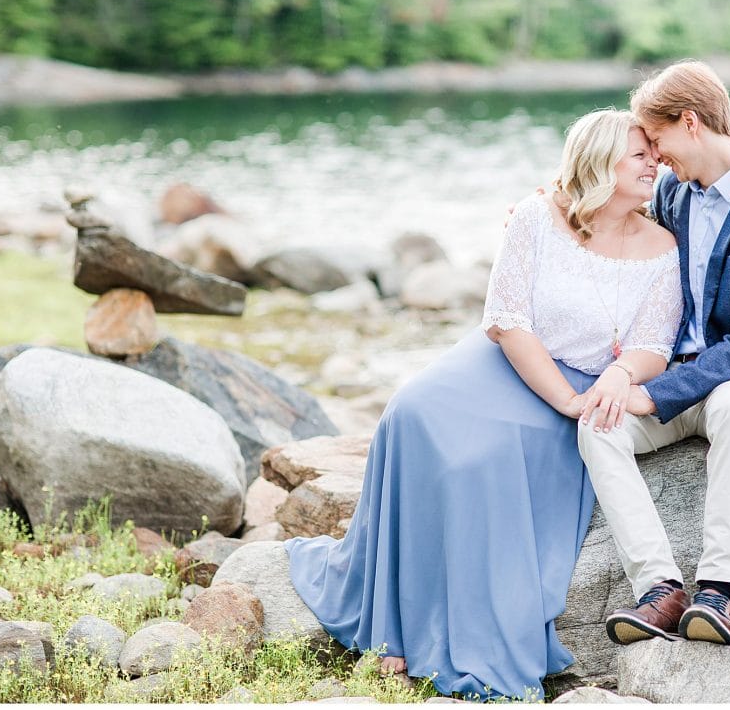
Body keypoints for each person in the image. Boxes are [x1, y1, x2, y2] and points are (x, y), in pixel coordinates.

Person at [283, 108, 684, 700]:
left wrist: (607, 383)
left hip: (589, 382)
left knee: (479, 461)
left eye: (656, 152)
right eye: (640, 153)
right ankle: (388, 623)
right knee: (410, 411)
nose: (656, 162)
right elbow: (507, 321)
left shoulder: (662, 247)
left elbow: (654, 345)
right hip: (511, 363)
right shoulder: (536, 216)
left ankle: (453, 631)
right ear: (600, 161)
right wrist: (564, 398)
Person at [578, 60, 730, 648]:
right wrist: (553, 211)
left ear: (689, 123)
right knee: (599, 426)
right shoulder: (673, 195)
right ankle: (660, 587)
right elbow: (614, 227)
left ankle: (718, 591)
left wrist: (652, 394)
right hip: (670, 377)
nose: (654, 159)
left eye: (655, 142)